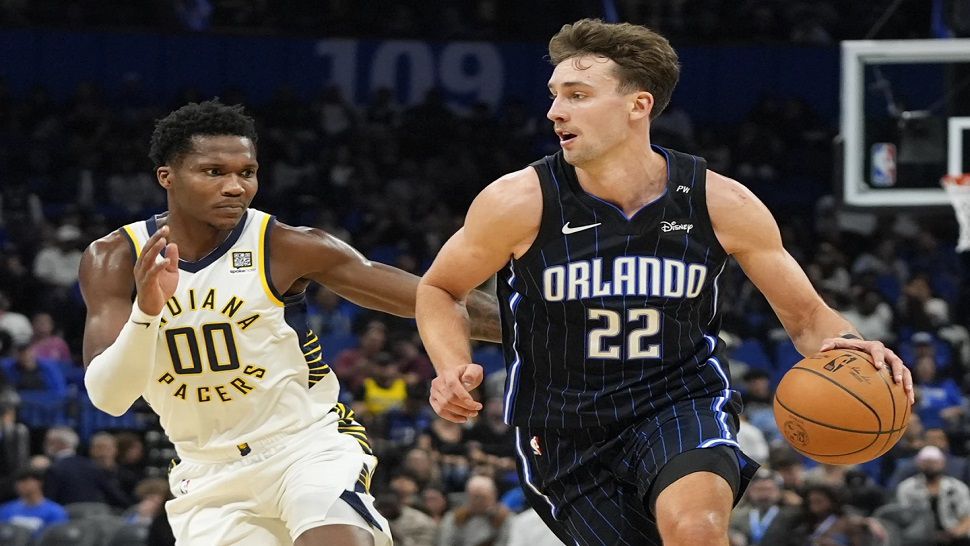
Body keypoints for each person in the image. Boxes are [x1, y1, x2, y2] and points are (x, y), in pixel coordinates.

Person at [415, 18, 914, 546]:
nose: (555, 111)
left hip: (677, 402)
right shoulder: (518, 202)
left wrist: (858, 353)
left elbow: (808, 318)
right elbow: (440, 288)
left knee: (695, 530)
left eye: (578, 95)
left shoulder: (721, 202)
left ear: (639, 105)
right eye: (555, 95)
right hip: (564, 428)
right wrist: (449, 366)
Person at [79, 99, 500, 546]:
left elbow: (427, 296)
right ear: (167, 176)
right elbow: (110, 398)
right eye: (214, 172)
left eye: (247, 172)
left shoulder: (284, 246)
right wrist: (147, 310)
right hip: (207, 473)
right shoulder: (115, 257)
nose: (235, 187)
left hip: (305, 446)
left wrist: (542, 321)